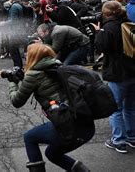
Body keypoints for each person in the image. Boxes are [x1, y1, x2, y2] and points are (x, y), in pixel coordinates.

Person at [8, 43, 93, 171]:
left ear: (32, 57)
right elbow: (45, 82)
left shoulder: (34, 75)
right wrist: (23, 79)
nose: (25, 56)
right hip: (86, 126)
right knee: (52, 154)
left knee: (29, 137)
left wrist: (13, 83)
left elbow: (16, 101)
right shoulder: (59, 67)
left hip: (69, 129)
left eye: (27, 54)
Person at [93, 1, 135, 153]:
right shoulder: (129, 24)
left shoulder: (109, 27)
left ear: (107, 13)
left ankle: (119, 140)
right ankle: (132, 137)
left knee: (115, 108)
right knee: (130, 107)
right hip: (132, 70)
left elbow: (101, 47)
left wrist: (98, 32)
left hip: (117, 72)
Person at [0, 0, 25, 68]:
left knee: (13, 50)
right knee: (15, 50)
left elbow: (14, 20)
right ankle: (19, 66)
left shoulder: (14, 6)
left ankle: (17, 67)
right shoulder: (19, 5)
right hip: (19, 30)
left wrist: (4, 23)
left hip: (15, 31)